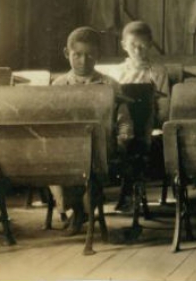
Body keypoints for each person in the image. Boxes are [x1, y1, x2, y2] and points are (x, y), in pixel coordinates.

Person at [52, 26, 133, 234]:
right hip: (67, 147)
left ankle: (84, 210)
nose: (83, 60)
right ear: (66, 54)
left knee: (90, 162)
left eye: (90, 55)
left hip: (101, 147)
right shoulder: (58, 85)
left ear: (99, 56)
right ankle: (77, 209)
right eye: (77, 55)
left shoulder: (109, 85)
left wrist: (123, 139)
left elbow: (123, 119)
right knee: (53, 161)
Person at [115, 20, 169, 211]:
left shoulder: (157, 71)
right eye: (133, 45)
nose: (138, 50)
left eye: (143, 46)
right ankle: (131, 190)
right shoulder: (119, 72)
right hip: (124, 123)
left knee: (143, 109)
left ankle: (130, 192)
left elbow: (164, 104)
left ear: (150, 44)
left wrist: (160, 119)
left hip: (149, 121)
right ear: (124, 46)